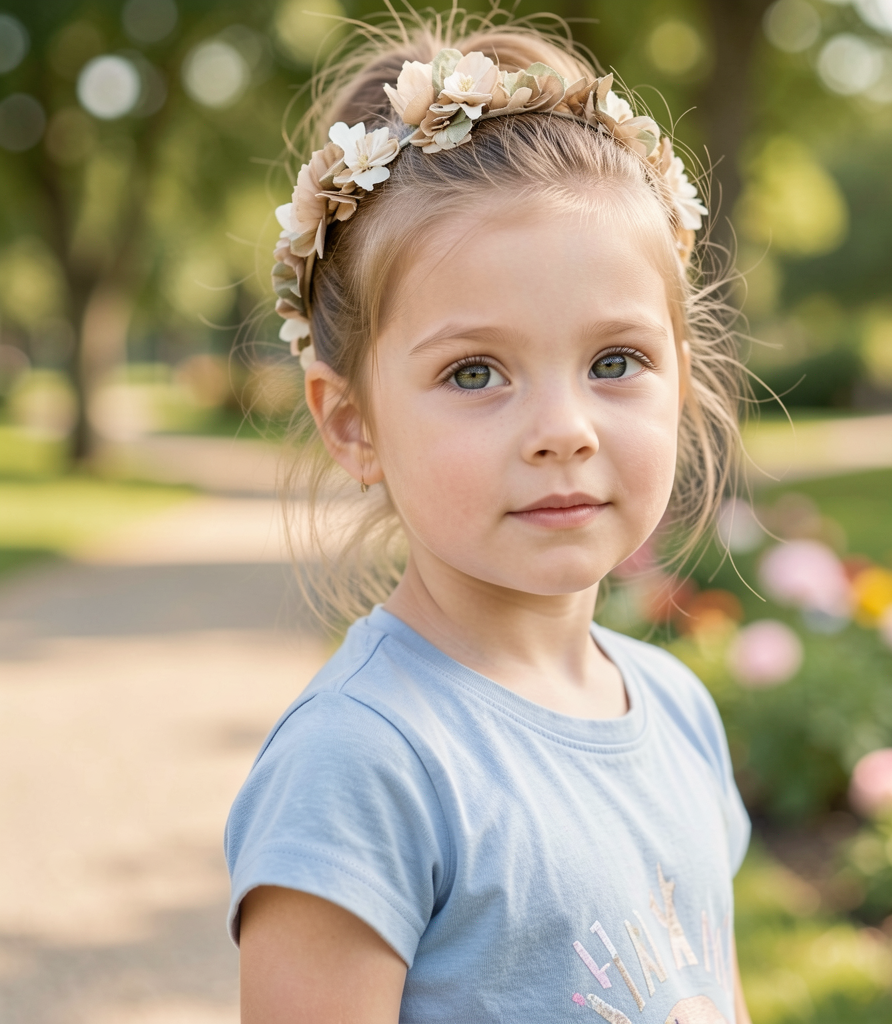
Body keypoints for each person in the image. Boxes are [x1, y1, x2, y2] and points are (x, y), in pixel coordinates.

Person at [225, 10, 752, 1023]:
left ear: (681, 380)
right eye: (475, 372)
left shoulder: (678, 709)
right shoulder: (364, 761)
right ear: (353, 423)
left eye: (614, 362)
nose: (563, 429)